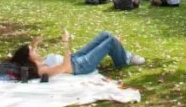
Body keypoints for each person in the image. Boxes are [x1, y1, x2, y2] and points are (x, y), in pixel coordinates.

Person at [9, 30, 145, 80]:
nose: (35, 49)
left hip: (76, 58)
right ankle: (123, 60)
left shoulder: (36, 62)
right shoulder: (41, 70)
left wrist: (35, 43)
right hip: (81, 66)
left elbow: (32, 52)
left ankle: (122, 52)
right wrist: (65, 42)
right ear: (28, 57)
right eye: (32, 50)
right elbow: (65, 66)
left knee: (106, 34)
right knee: (111, 41)